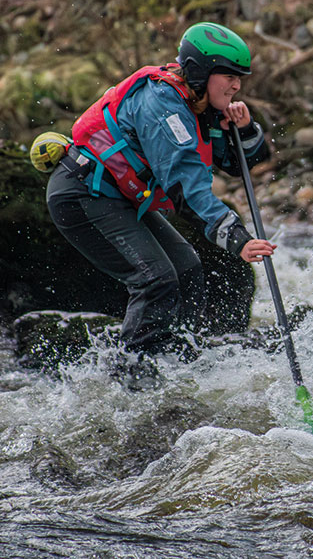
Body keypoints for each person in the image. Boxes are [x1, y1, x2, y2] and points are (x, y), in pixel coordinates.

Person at [45, 21, 275, 365]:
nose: (237, 85)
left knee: (185, 268)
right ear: (200, 72)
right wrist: (238, 239)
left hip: (118, 199)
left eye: (239, 77)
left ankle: (180, 367)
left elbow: (238, 164)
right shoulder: (163, 107)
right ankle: (131, 379)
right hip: (82, 194)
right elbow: (186, 188)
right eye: (228, 75)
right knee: (155, 280)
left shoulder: (198, 107)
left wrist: (244, 130)